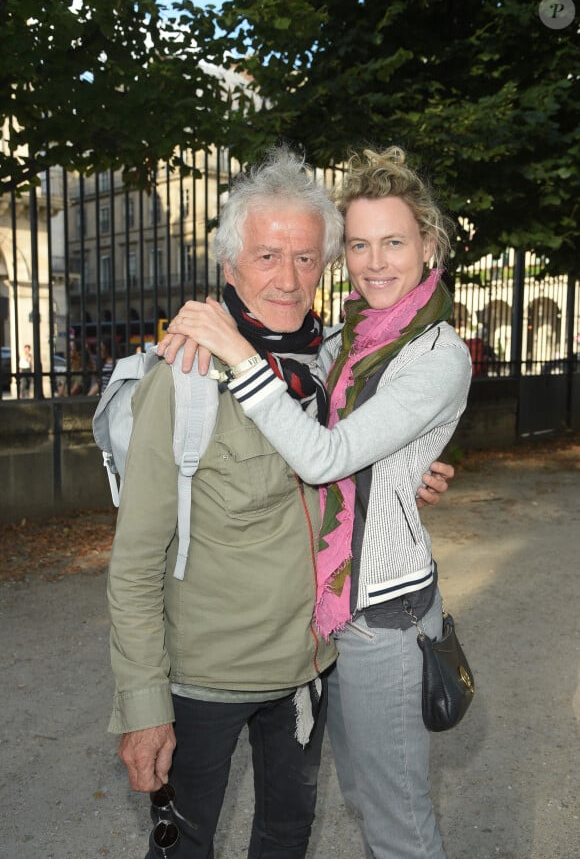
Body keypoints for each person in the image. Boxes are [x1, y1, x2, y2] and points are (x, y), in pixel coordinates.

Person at [109, 147, 451, 859]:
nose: (288, 279)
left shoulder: (332, 362)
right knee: (184, 849)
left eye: (305, 258)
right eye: (267, 256)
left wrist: (407, 471)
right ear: (230, 265)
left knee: (286, 838)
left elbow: (348, 454)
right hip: (204, 679)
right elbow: (135, 560)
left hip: (308, 666)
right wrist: (144, 708)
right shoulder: (187, 377)